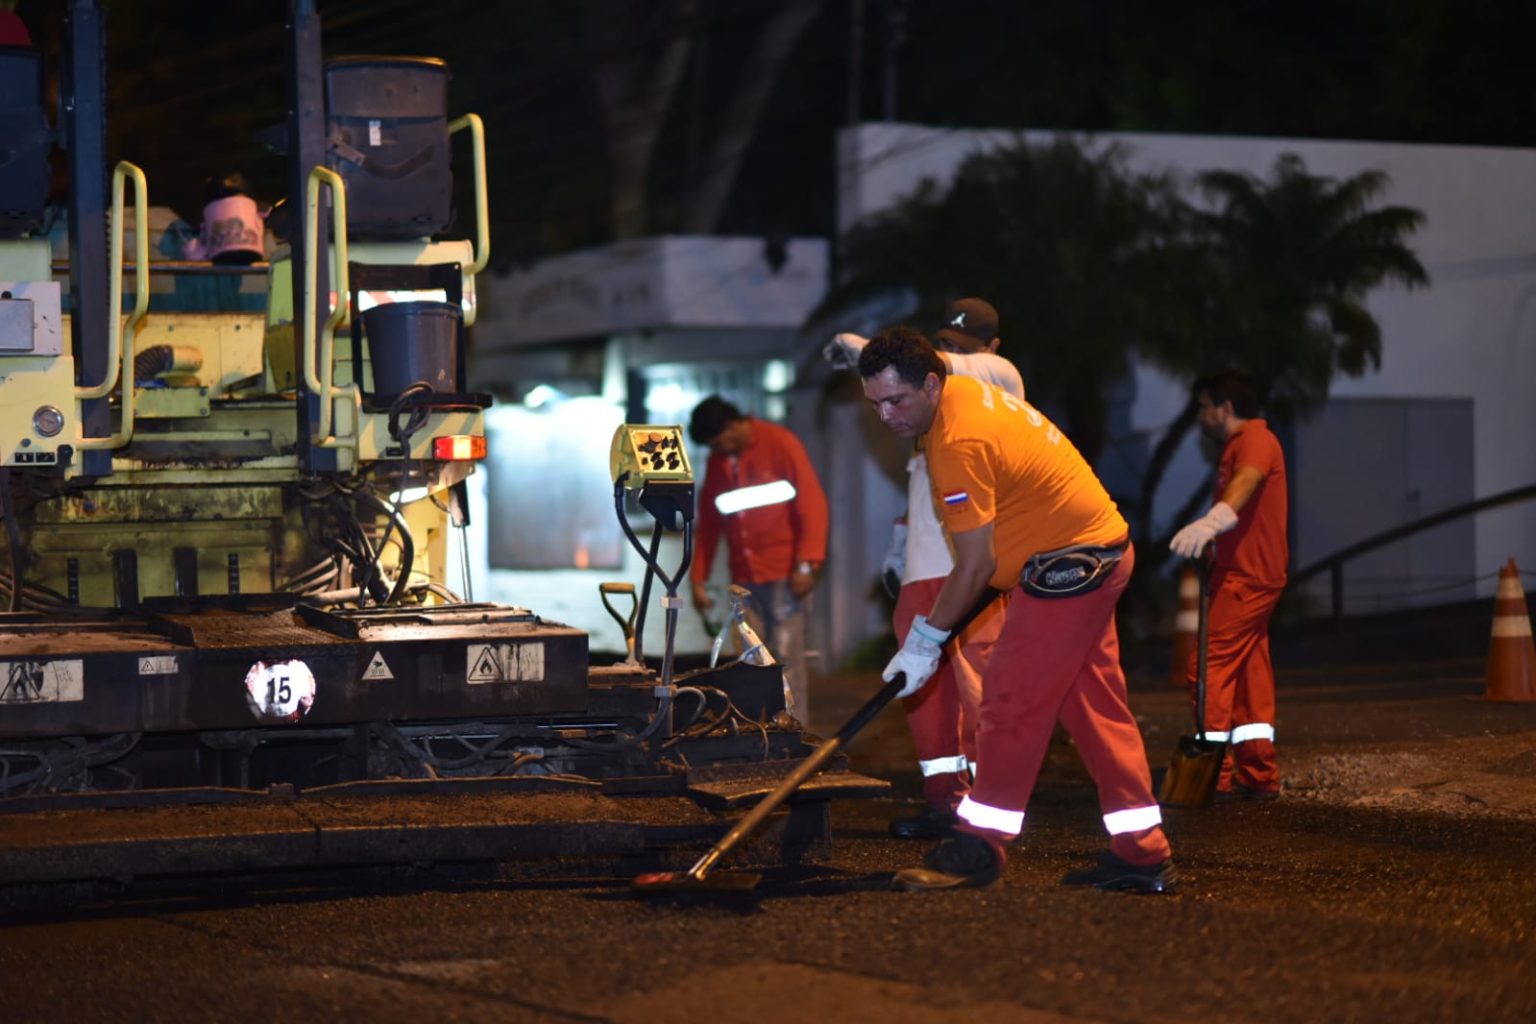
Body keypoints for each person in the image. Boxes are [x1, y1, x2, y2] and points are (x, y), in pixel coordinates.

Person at [858, 328, 1174, 893]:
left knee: (1008, 701)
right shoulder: (960, 398)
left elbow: (975, 565)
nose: (886, 415)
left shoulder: (958, 440)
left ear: (930, 384)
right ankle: (1143, 852)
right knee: (1094, 710)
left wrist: (925, 642)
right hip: (1096, 551)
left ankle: (978, 848)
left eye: (896, 400)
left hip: (1070, 566)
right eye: (875, 403)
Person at [825, 298, 1023, 839]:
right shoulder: (930, 420)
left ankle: (991, 803)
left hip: (975, 568)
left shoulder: (999, 376)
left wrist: (869, 353)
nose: (952, 352)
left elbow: (946, 369)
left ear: (991, 348)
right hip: (924, 565)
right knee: (925, 692)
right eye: (945, 343)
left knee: (981, 686)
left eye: (962, 346)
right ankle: (944, 798)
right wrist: (899, 542)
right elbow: (923, 483)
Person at [1169, 369, 1287, 800]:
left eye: (1204, 407)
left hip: (1246, 578)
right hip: (1249, 575)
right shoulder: (1247, 442)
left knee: (1208, 667)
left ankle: (1210, 777)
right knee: (1249, 672)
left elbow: (1248, 479)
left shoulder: (1254, 440)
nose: (1201, 416)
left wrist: (1213, 521)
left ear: (1226, 408)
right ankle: (1258, 774)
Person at [689, 396, 829, 721]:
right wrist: (698, 579)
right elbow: (709, 525)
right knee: (750, 665)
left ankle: (795, 732)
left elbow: (812, 504)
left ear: (731, 425)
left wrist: (807, 564)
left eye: (718, 442)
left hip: (784, 577)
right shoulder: (719, 462)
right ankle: (760, 734)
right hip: (744, 580)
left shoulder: (780, 444)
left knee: (788, 662)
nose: (718, 450)